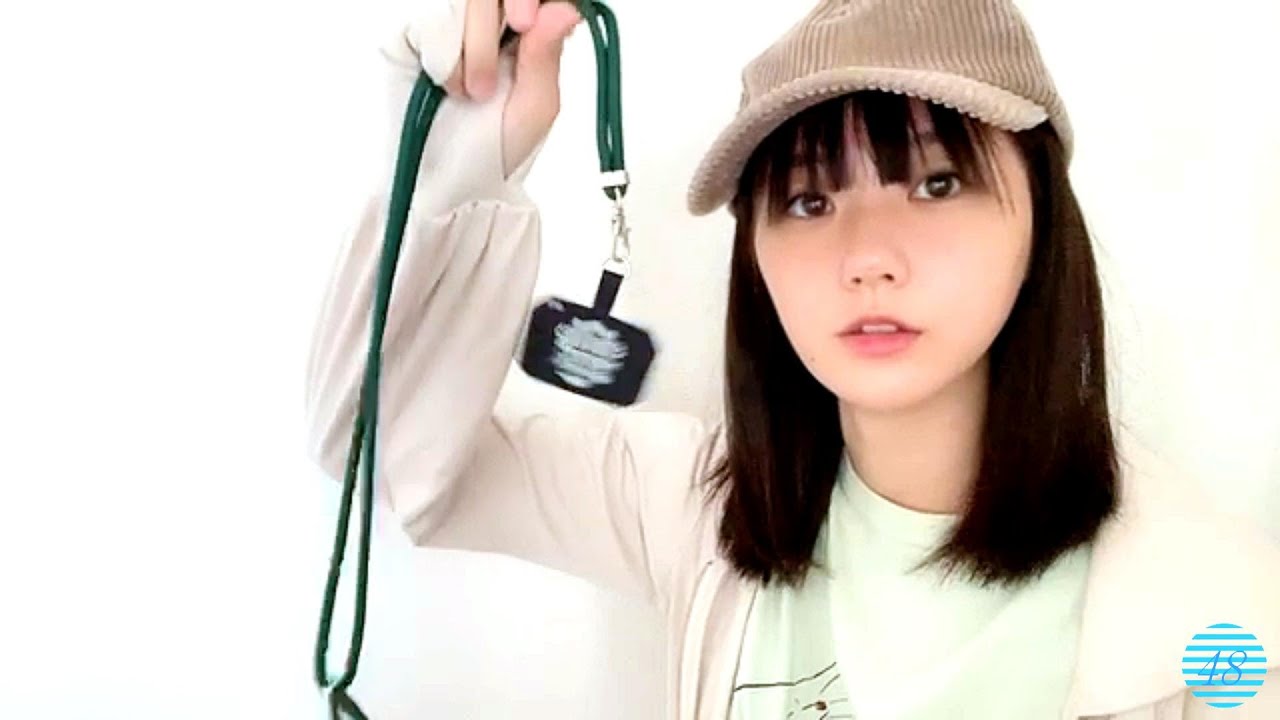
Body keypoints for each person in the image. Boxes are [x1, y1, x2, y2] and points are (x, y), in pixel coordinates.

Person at [303, 0, 1280, 717]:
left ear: (1040, 224)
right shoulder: (690, 504)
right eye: (808, 201)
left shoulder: (1216, 609)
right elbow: (382, 453)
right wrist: (462, 161)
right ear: (755, 260)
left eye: (936, 184)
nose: (866, 258)